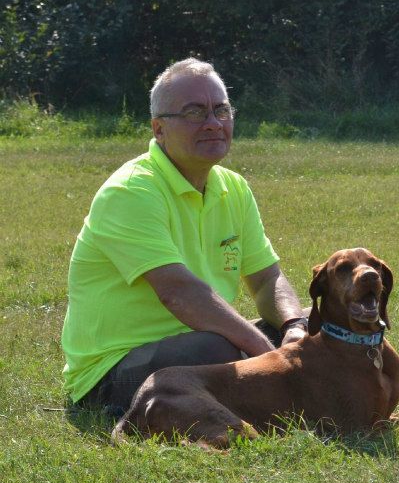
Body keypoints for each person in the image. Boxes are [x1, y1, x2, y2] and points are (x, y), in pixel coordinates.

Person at [61, 57, 308, 416]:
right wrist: (269, 354)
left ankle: (298, 388)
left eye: (221, 110)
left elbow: (267, 278)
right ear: (158, 129)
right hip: (112, 373)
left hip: (204, 342)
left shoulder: (233, 187)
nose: (213, 123)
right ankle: (290, 394)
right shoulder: (131, 191)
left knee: (325, 322)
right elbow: (179, 293)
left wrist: (295, 327)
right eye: (195, 113)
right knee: (215, 351)